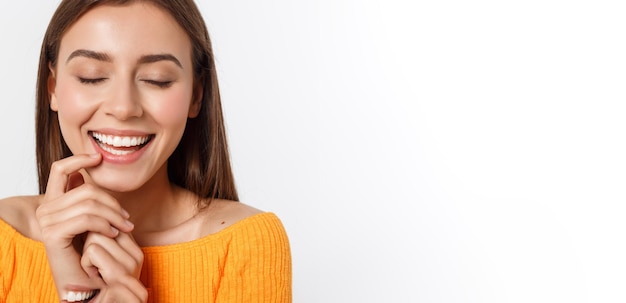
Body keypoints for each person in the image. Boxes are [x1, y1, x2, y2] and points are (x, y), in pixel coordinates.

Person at [0, 0, 292, 302]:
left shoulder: (246, 243)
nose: (124, 107)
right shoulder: (4, 239)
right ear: (53, 88)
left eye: (157, 80)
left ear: (196, 95)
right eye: (92, 76)